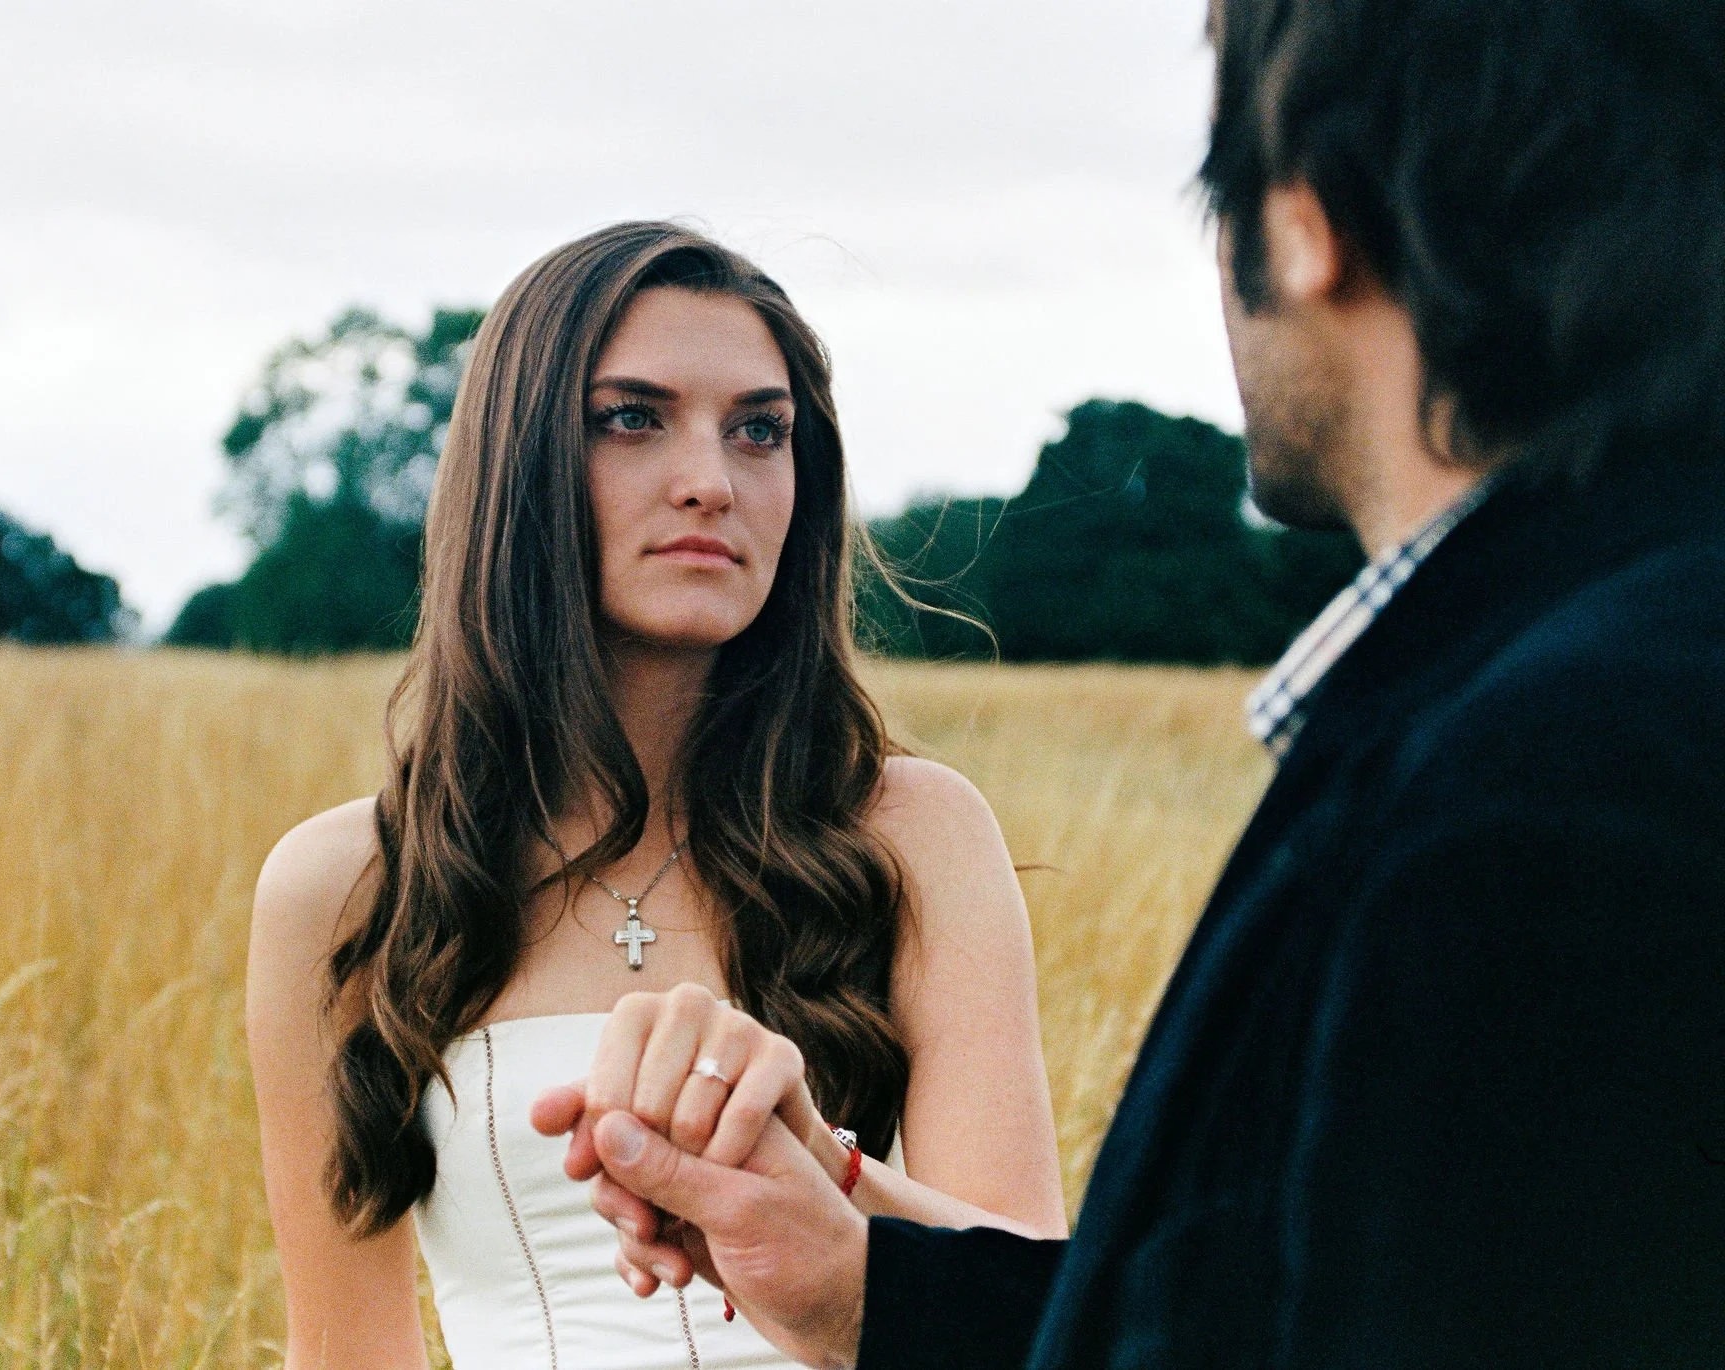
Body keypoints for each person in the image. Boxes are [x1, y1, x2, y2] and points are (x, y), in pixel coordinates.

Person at [538, 2, 1725, 1366]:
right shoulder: (1593, 682)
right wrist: (854, 1280)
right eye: (632, 417)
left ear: (1307, 218)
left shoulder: (1550, 791)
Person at [244, 221, 1069, 1370]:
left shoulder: (910, 835)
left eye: (759, 430)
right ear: (518, 465)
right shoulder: (345, 886)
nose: (708, 481)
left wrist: (821, 1173)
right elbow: (345, 1352)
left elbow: (1033, 1313)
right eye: (631, 416)